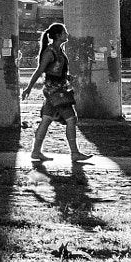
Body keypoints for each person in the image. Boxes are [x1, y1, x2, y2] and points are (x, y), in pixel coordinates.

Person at [25, 21, 91, 164]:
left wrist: (66, 77)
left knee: (47, 119)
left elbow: (53, 70)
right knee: (71, 119)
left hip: (53, 91)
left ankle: (36, 151)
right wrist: (29, 87)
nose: (67, 34)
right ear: (59, 35)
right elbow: (40, 70)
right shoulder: (50, 52)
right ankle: (74, 153)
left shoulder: (59, 51)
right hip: (56, 92)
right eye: (64, 32)